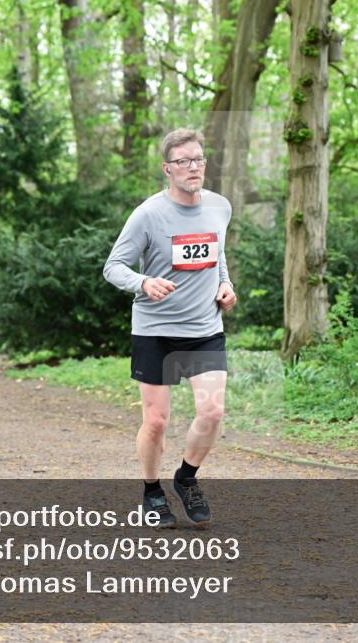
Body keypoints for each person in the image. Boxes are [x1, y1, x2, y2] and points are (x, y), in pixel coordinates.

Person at [103, 128, 236, 528]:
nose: (193, 167)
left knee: (212, 411)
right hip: (155, 329)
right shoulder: (148, 214)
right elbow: (113, 267)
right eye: (183, 161)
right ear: (167, 169)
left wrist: (226, 284)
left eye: (198, 159)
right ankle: (151, 491)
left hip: (203, 327)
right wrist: (143, 282)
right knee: (157, 421)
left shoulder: (220, 207)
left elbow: (218, 254)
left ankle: (186, 478)